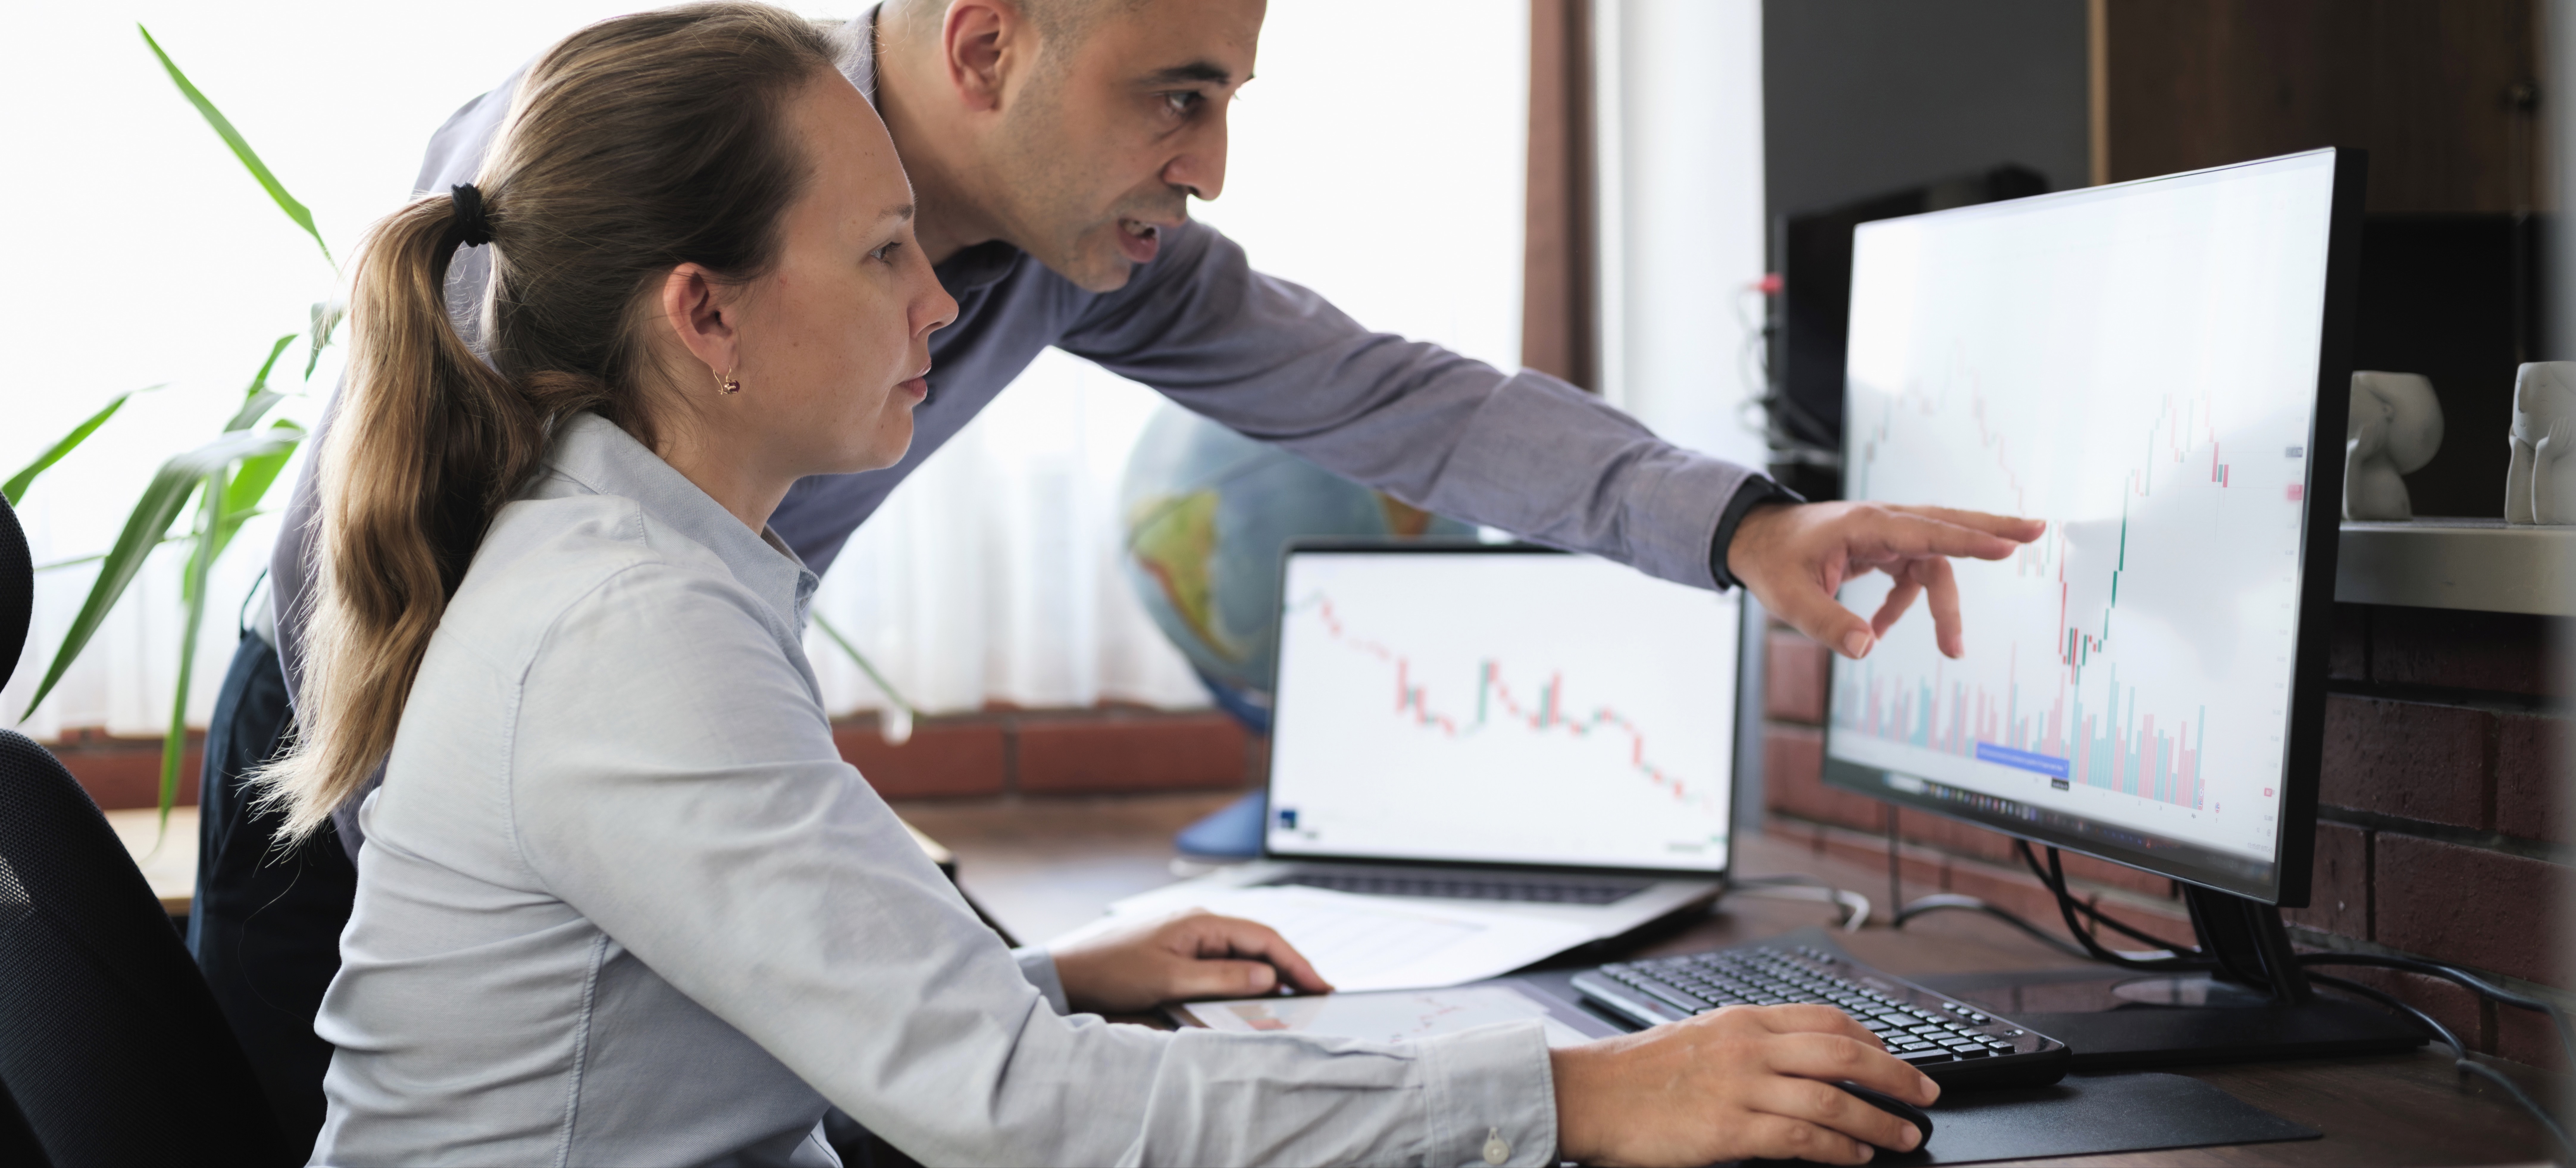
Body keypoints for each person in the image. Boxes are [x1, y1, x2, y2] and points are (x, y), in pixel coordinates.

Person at [195, 0, 2043, 1151]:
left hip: (631, 784)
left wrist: (1741, 524)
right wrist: (1571, 1098)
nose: (1211, 164)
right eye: (1177, 94)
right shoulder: (638, 218)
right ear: (989, 46)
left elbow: (1389, 392)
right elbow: (524, 772)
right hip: (346, 744)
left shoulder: (1033, 282)